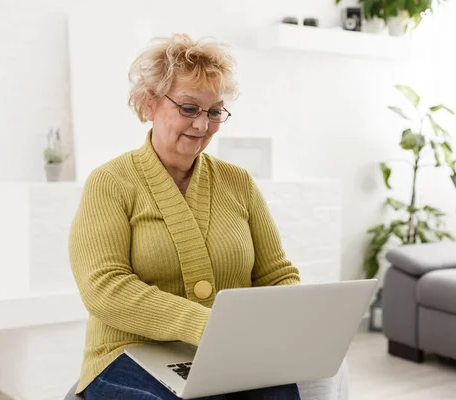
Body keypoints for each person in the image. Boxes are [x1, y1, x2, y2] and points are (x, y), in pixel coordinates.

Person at [69, 33, 302, 400]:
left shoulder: (239, 182)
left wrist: (286, 325)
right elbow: (104, 288)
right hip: (128, 354)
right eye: (189, 108)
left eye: (214, 112)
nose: (201, 125)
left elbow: (277, 275)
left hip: (226, 353)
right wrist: (207, 325)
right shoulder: (109, 182)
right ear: (149, 104)